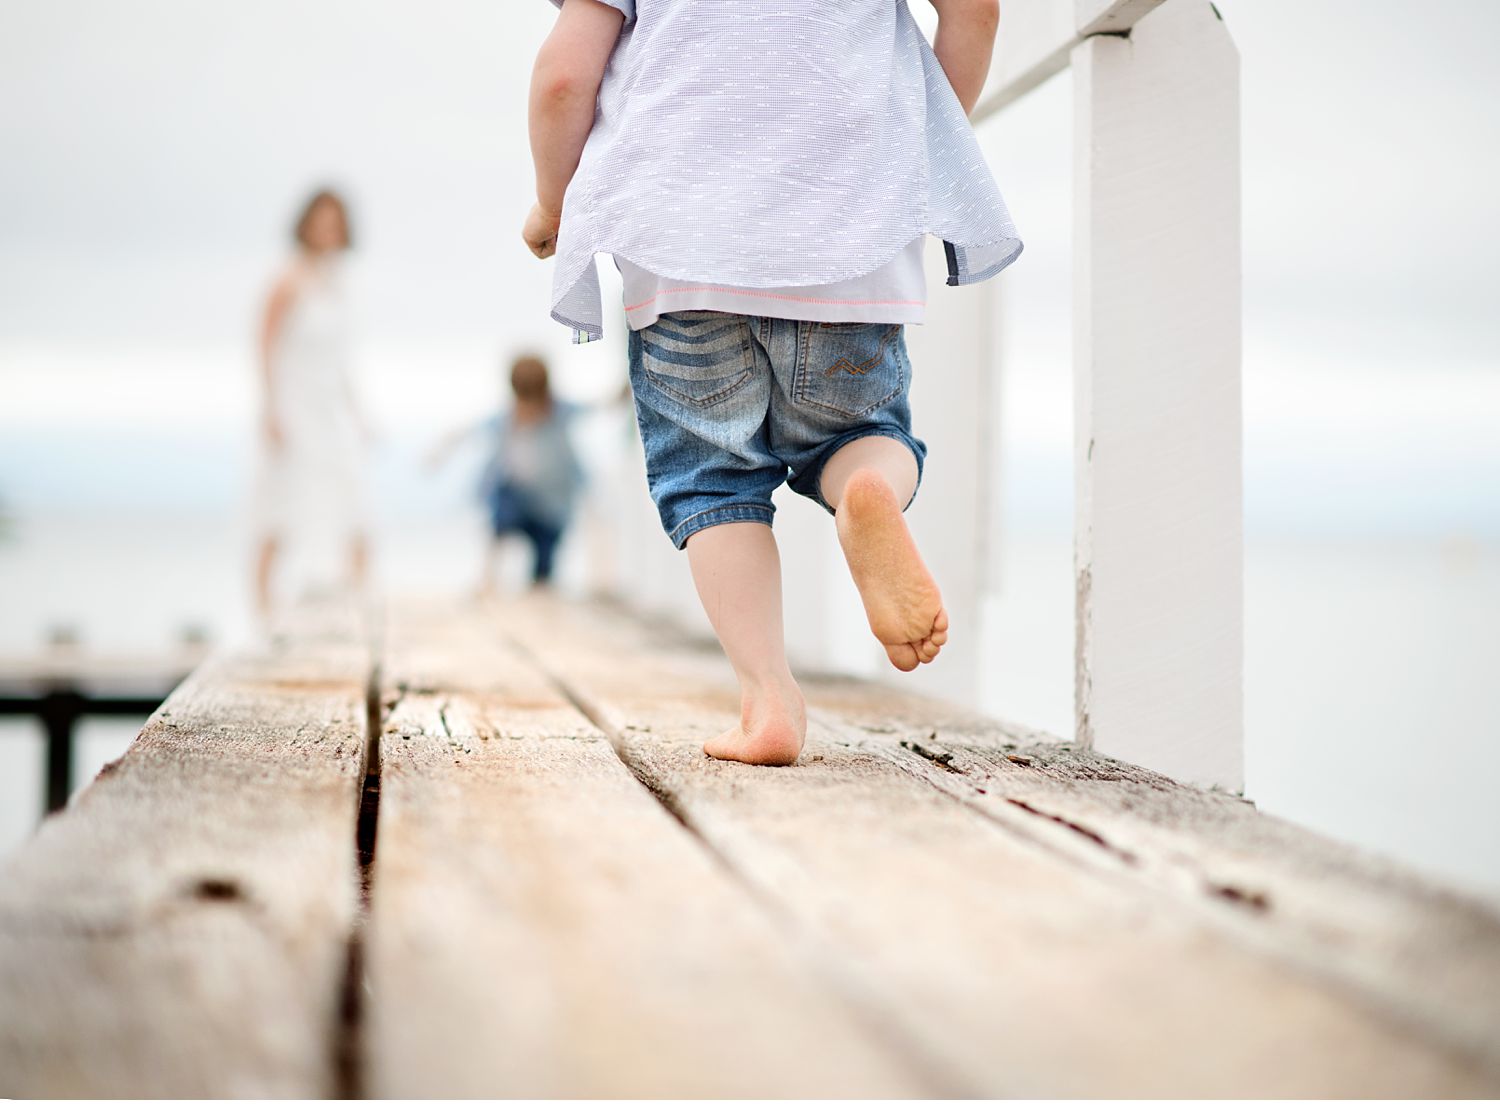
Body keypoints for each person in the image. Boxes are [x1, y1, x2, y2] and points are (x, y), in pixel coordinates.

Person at [524, 0, 1021, 765]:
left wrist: (554, 203)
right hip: (849, 247)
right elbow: (976, 12)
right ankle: (866, 490)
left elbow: (563, 78)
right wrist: (912, 157)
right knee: (862, 433)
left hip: (683, 261)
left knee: (712, 482)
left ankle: (768, 696)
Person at [252, 188, 371, 619]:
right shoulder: (287, 279)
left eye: (335, 222)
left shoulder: (337, 283)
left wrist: (358, 414)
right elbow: (264, 345)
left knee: (352, 500)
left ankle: (359, 601)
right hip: (294, 406)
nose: (328, 230)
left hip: (330, 409)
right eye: (321, 221)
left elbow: (341, 361)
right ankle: (262, 608)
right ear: (305, 225)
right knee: (280, 504)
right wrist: (271, 408)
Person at [429, 354, 586, 592]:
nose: (530, 411)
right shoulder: (505, 420)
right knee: (500, 517)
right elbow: (468, 431)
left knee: (544, 565)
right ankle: (488, 578)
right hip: (516, 495)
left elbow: (597, 406)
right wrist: (440, 452)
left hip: (552, 506)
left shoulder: (560, 412)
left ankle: (541, 587)